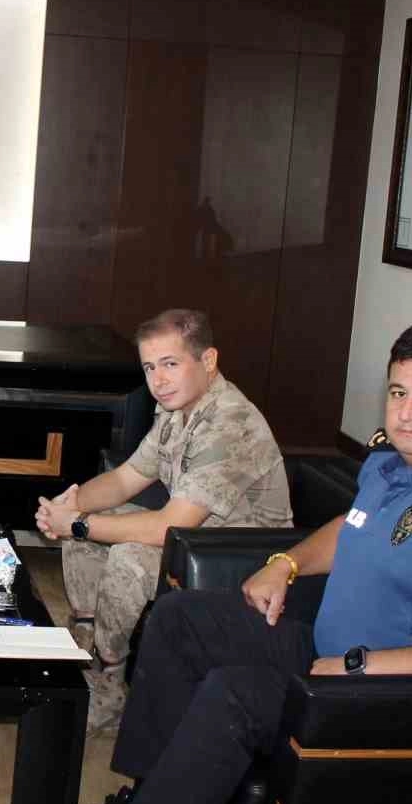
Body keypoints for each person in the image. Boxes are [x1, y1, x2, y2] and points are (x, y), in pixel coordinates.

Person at [10, 317, 412, 804]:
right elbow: (351, 527)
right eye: (399, 392)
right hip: (326, 650)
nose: (408, 412)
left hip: (387, 694)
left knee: (236, 694)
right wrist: (286, 564)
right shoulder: (394, 464)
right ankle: (145, 803)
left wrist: (363, 666)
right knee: (180, 618)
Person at [35, 309, 291, 732]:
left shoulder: (231, 423)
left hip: (241, 560)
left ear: (208, 360)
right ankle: (84, 646)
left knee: (129, 556)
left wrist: (78, 522)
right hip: (194, 539)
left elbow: (166, 528)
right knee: (87, 530)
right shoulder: (177, 408)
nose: (159, 380)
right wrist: (67, 506)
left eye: (170, 363)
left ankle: (110, 680)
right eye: (150, 367)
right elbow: (126, 478)